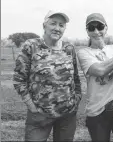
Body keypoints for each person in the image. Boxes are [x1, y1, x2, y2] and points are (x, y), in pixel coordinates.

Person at [13, 10, 82, 141]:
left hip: (67, 115)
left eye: (61, 25)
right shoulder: (31, 46)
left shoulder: (69, 48)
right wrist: (30, 104)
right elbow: (19, 79)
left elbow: (76, 78)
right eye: (53, 24)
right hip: (39, 115)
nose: (57, 28)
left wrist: (77, 98)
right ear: (44, 25)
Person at [77, 13, 113, 141]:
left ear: (106, 28)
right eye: (91, 28)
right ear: (87, 31)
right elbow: (100, 70)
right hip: (97, 111)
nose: (96, 31)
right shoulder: (84, 52)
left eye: (100, 26)